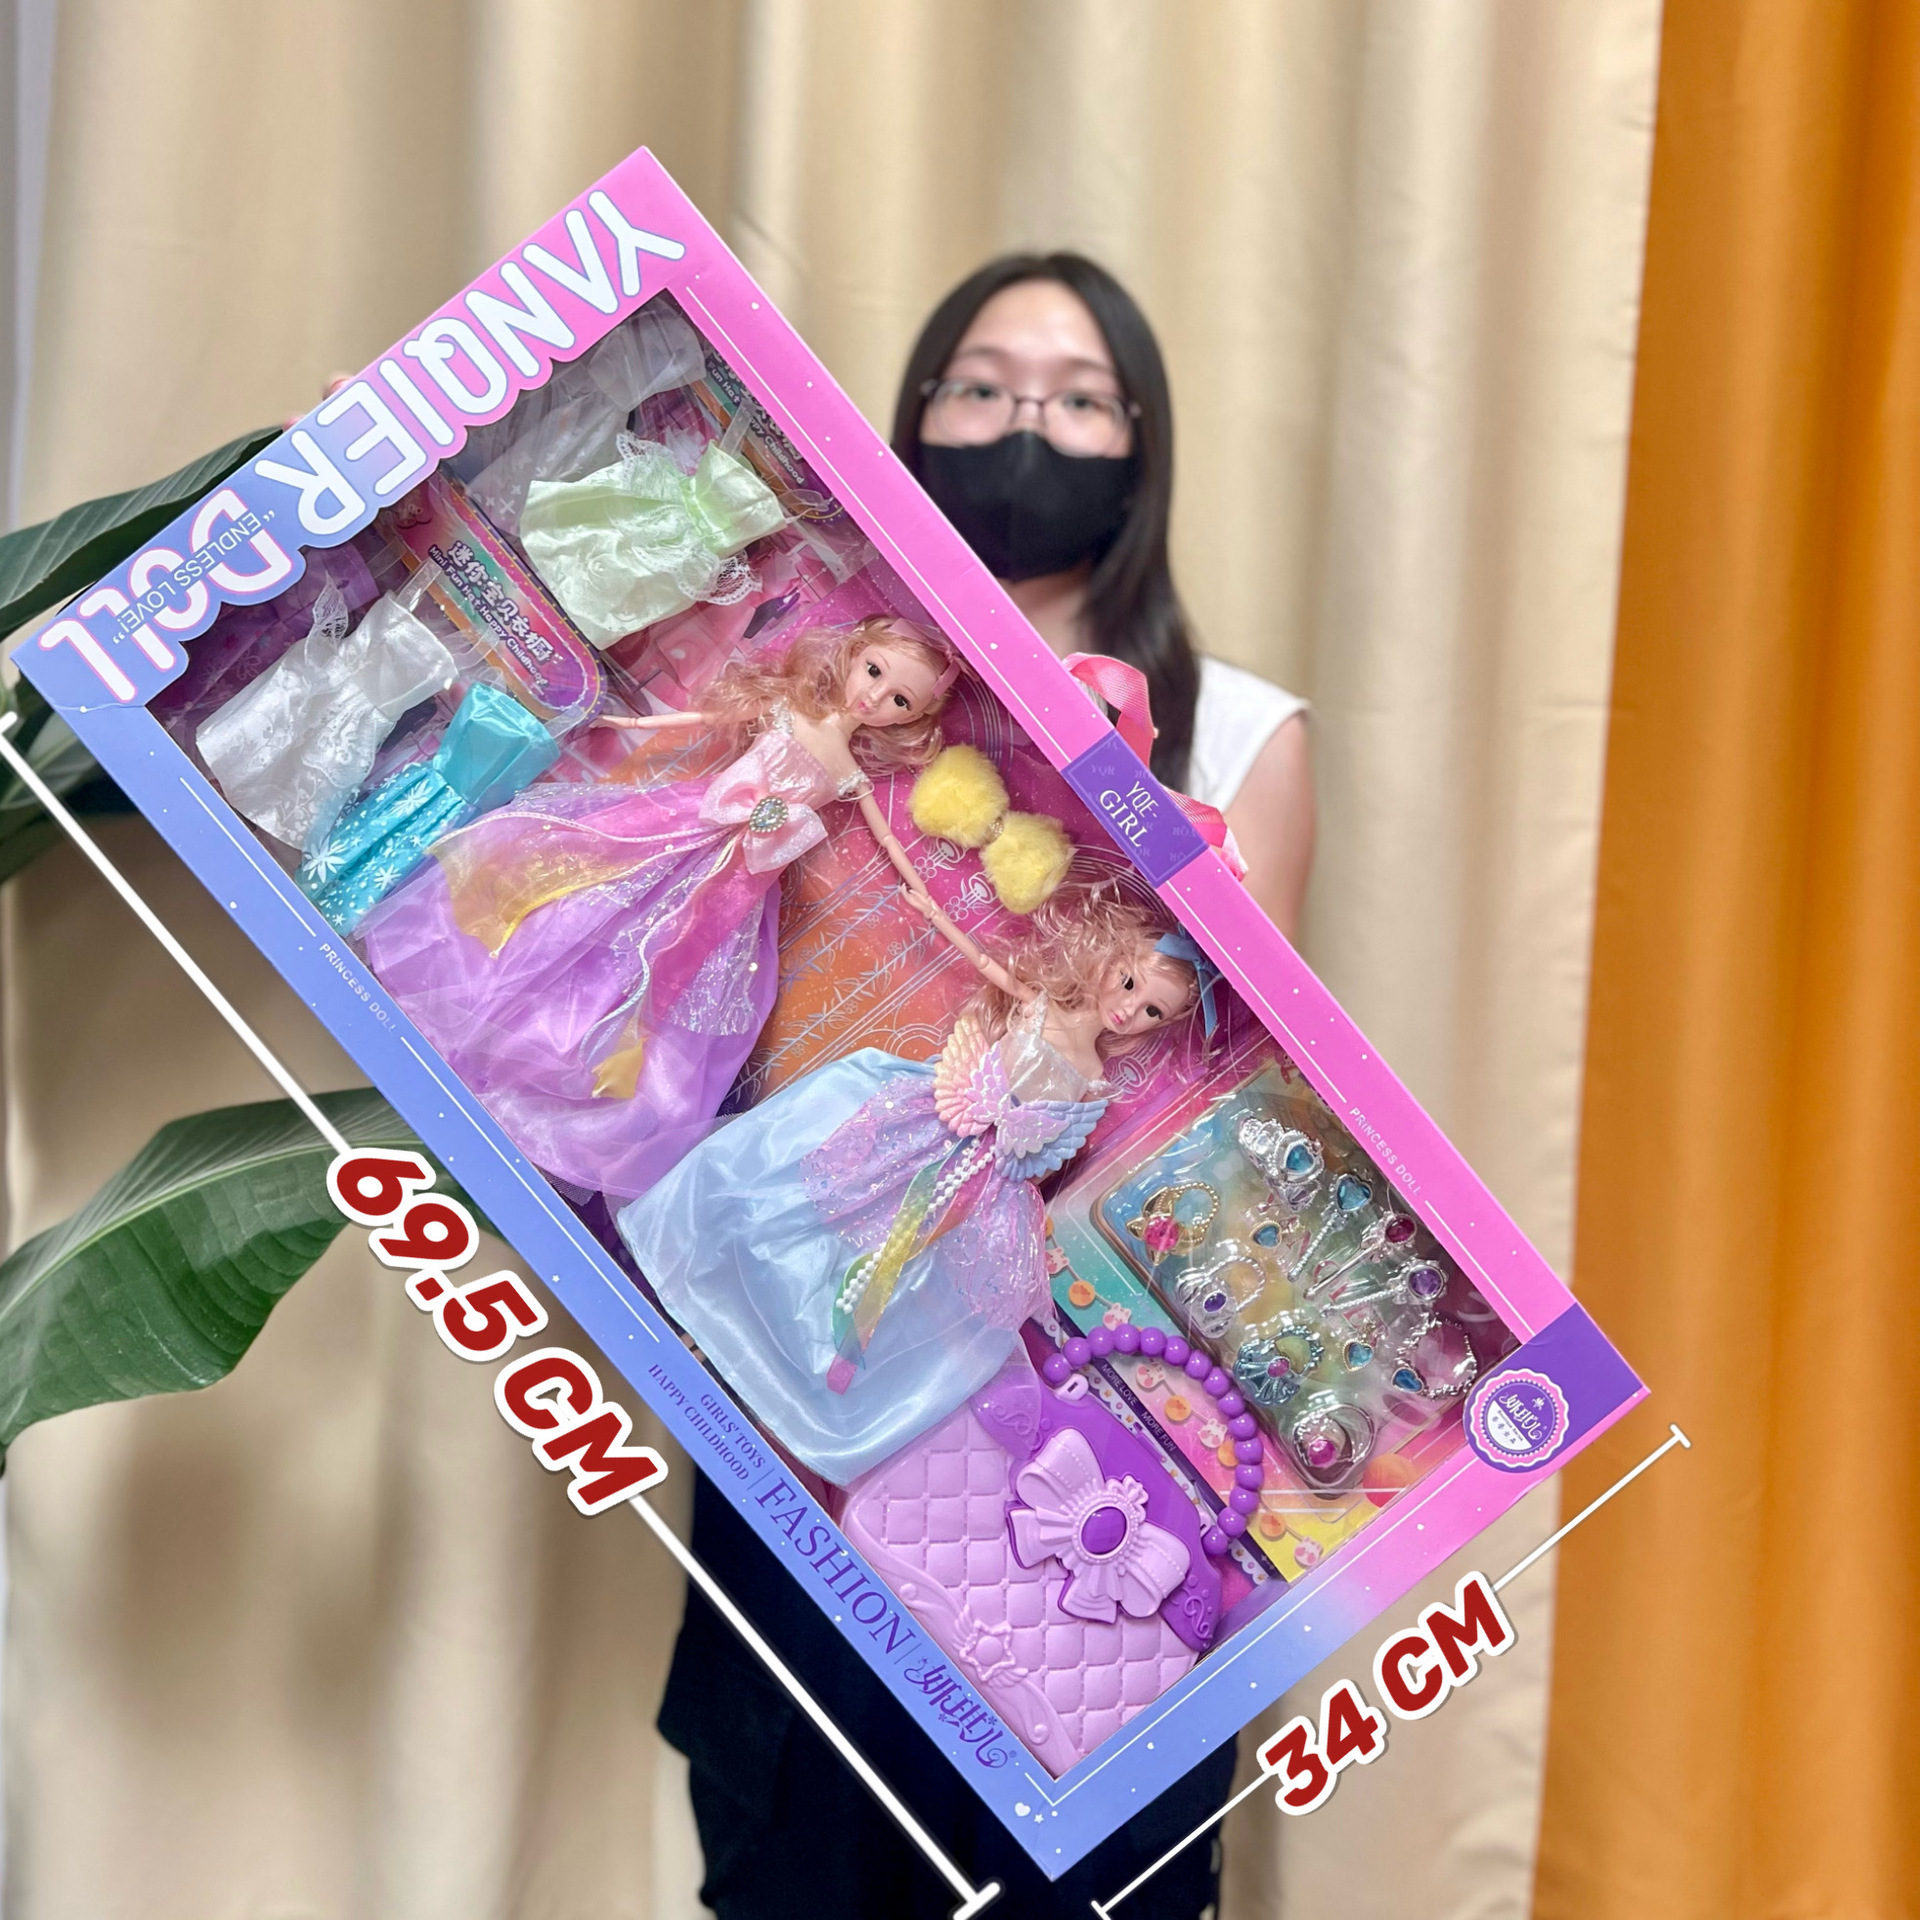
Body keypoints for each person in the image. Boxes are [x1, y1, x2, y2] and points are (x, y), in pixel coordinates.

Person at [659, 254, 1317, 1917]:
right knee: (792, 1857)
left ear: (1141, 444)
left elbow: (1234, 1096)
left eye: (1079, 398)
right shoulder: (835, 681)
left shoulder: (1239, 734)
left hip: (1082, 1433)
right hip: (820, 1377)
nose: (1028, 423)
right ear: (912, 419)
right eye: (983, 385)